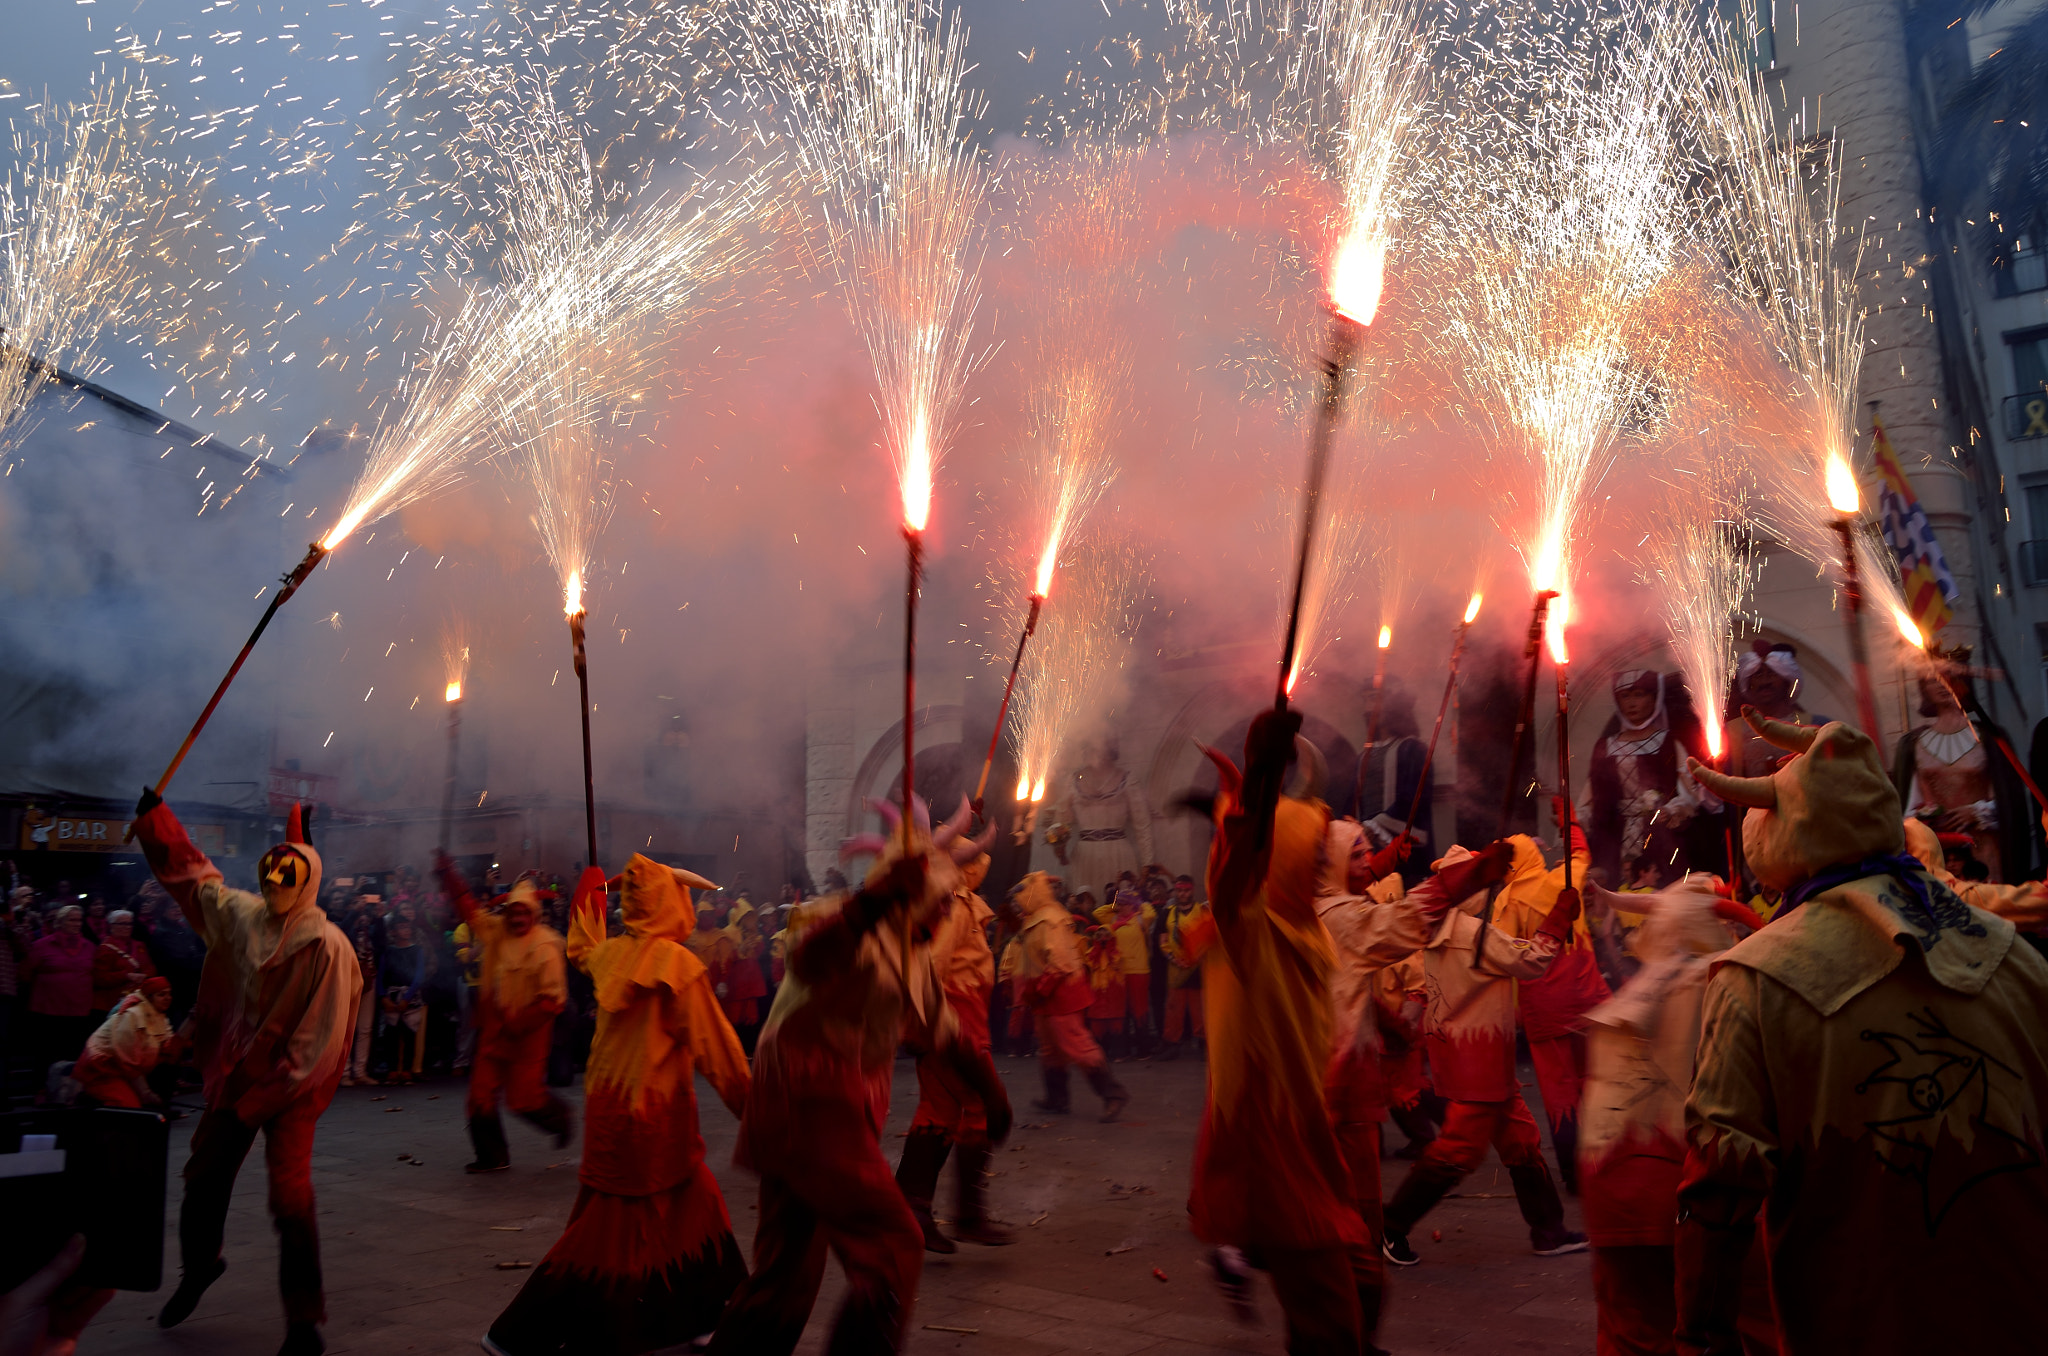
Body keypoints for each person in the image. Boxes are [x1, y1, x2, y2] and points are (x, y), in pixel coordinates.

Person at [1682, 713, 2048, 1354]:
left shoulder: (1754, 978)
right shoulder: (2013, 954)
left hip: (1862, 1321)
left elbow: (1720, 1191)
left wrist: (1698, 1339)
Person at [705, 811, 1012, 1356]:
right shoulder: (848, 923)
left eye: (948, 900)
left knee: (787, 1270)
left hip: (816, 1112)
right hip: (814, 1106)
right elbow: (810, 958)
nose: (946, 911)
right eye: (938, 899)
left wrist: (991, 1093)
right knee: (893, 1244)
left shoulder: (914, 954)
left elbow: (946, 1033)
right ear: (902, 892)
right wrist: (871, 904)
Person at [484, 857, 750, 1356]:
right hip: (649, 1120)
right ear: (672, 903)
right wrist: (759, 1115)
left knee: (699, 1204)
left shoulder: (611, 956)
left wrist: (590, 897)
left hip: (616, 1112)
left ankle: (709, 1311)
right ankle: (518, 1331)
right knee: (608, 1231)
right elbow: (721, 1054)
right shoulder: (678, 968)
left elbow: (582, 946)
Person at [130, 796, 358, 1356]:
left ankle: (304, 1322)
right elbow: (195, 879)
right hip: (240, 1068)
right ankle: (200, 1266)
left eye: (289, 871)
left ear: (308, 882)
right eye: (272, 868)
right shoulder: (242, 914)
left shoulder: (330, 950)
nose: (277, 878)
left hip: (292, 1087)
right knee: (202, 1175)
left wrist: (259, 1099)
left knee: (290, 1196)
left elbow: (315, 1052)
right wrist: (157, 822)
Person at [1190, 717, 1381, 1354]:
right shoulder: (1251, 929)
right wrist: (1263, 784)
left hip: (1307, 1142)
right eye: (1317, 846)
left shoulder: (1309, 929)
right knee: (1333, 1319)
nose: (1326, 855)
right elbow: (1233, 882)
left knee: (1335, 1308)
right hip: (1274, 1155)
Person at [1316, 819, 1504, 1352]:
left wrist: (1392, 1020)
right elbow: (1395, 925)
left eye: (1370, 854)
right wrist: (1458, 882)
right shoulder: (1340, 916)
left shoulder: (1317, 908)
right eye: (1356, 855)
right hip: (1337, 1085)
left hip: (1339, 1078)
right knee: (1355, 1238)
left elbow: (1349, 973)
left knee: (1344, 1229)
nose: (1367, 863)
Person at [1380, 834, 1589, 1265]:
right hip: (1478, 1059)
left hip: (1471, 1054)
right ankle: (1391, 1225)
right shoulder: (1469, 932)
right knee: (1458, 1149)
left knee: (1521, 1141)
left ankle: (1548, 1230)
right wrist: (1556, 921)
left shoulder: (1437, 928)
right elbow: (1531, 962)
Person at [1577, 877, 1764, 1356]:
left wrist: (1611, 900)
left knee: (1628, 1328)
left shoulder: (1639, 984)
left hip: (1608, 1189)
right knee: (1726, 1321)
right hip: (1681, 1190)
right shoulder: (1726, 985)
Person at [895, 831, 1011, 1254]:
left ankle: (916, 1211)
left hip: (961, 1019)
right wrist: (926, 1025)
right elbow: (931, 964)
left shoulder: (963, 904)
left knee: (940, 1110)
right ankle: (963, 1214)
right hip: (951, 1023)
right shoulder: (955, 905)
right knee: (978, 1107)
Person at [436, 859, 573, 1173]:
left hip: (529, 1032)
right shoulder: (496, 932)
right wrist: (450, 878)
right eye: (514, 912)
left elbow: (553, 1000)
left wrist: (520, 1023)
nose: (518, 917)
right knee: (480, 1096)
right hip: (496, 1027)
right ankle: (492, 1156)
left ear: (534, 915)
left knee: (524, 1099)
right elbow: (469, 912)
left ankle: (560, 1117)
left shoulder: (546, 946)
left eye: (524, 912)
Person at [1494, 812, 1606, 1194]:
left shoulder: (1507, 900)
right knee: (1595, 1081)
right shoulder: (1562, 879)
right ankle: (1604, 1164)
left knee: (1560, 1094)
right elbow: (1580, 852)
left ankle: (1575, 1178)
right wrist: (1570, 822)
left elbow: (1503, 960)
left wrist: (1511, 1009)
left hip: (1544, 1006)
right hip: (1587, 998)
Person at [1891, 646, 2032, 884]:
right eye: (1931, 679)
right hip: (1938, 852)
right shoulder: (1913, 744)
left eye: (1950, 676)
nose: (1941, 684)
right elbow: (1907, 809)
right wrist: (1925, 820)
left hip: (1984, 848)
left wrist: (1977, 812)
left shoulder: (1989, 737)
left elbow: (2010, 802)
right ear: (1924, 688)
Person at [1011, 871, 1130, 1120]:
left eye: (1021, 893)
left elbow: (1060, 962)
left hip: (1060, 992)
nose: (1017, 899)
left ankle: (1113, 1094)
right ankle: (1057, 1099)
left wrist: (1038, 990)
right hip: (1044, 994)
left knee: (1077, 1045)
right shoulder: (1036, 918)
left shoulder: (1050, 919)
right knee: (1050, 1048)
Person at [1586, 670, 1702, 887]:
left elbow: (1689, 793)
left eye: (1639, 695)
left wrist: (1671, 810)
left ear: (1654, 698)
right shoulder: (1605, 747)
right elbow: (1592, 798)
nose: (1631, 703)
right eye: (1625, 696)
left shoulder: (1667, 743)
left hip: (1659, 836)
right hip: (1615, 839)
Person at [1046, 739, 1154, 901]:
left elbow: (1142, 824)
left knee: (1119, 904)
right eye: (1090, 747)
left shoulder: (1127, 780)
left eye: (1099, 747)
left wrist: (1147, 863)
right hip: (1084, 855)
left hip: (1118, 852)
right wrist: (1059, 847)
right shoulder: (1073, 780)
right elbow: (1061, 822)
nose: (1094, 752)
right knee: (1082, 903)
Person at [1350, 680, 1433, 885]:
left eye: (1374, 698)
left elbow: (1414, 798)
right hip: (1367, 848)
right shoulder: (1363, 756)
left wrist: (1374, 826)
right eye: (1366, 700)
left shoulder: (1413, 749)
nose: (1369, 707)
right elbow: (1353, 800)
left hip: (1405, 850)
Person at [20, 906, 95, 1098]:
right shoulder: (42, 945)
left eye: (79, 920)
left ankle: (70, 1093)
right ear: (60, 922)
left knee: (73, 1054)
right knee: (46, 1054)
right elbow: (25, 973)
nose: (76, 924)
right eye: (71, 920)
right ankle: (42, 1091)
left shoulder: (89, 946)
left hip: (79, 1009)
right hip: (48, 1010)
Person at [73, 977, 176, 1108]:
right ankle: (90, 1102)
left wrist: (191, 1020)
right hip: (103, 1069)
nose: (168, 998)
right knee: (129, 1107)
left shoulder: (159, 1015)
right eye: (162, 994)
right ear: (149, 997)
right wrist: (145, 1093)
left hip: (126, 1070)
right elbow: (126, 1058)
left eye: (169, 993)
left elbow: (170, 1048)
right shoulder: (132, 1015)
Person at [376, 914, 433, 1084]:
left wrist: (407, 998)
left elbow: (419, 975)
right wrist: (382, 996)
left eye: (408, 927)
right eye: (401, 927)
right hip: (391, 994)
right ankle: (393, 1070)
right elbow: (380, 976)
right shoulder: (388, 951)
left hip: (411, 996)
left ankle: (407, 1069)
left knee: (410, 1034)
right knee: (391, 1034)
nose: (406, 930)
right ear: (393, 932)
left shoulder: (417, 951)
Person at [1158, 876, 1208, 1060]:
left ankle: (1204, 1043)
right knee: (1173, 1009)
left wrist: (1196, 957)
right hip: (1176, 970)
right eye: (1179, 890)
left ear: (1192, 890)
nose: (1182, 894)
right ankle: (1172, 1044)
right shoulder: (1167, 913)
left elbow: (1207, 938)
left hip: (1196, 970)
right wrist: (1173, 958)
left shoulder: (1202, 911)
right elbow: (1162, 941)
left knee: (1199, 1010)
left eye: (1186, 890)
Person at [90, 910, 155, 1019]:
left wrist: (145, 976)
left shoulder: (139, 945)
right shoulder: (105, 949)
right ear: (111, 926)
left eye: (129, 923)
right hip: (111, 1004)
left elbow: (150, 968)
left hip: (136, 1001)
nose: (127, 927)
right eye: (122, 923)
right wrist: (125, 976)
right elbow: (99, 978)